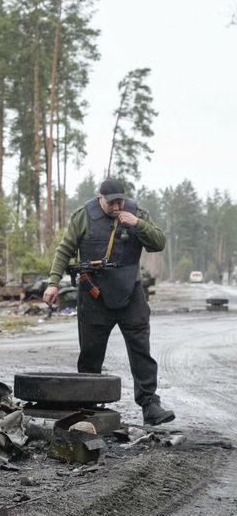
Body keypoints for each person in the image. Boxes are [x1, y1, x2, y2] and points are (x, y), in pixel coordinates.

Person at [43, 178, 175, 426]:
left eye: (120, 200)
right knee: (91, 354)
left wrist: (137, 224)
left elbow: (159, 243)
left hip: (130, 293)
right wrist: (53, 283)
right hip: (94, 294)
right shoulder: (83, 216)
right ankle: (88, 407)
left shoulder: (137, 214)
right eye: (111, 201)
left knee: (141, 352)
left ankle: (150, 405)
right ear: (99, 197)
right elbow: (65, 249)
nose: (117, 206)